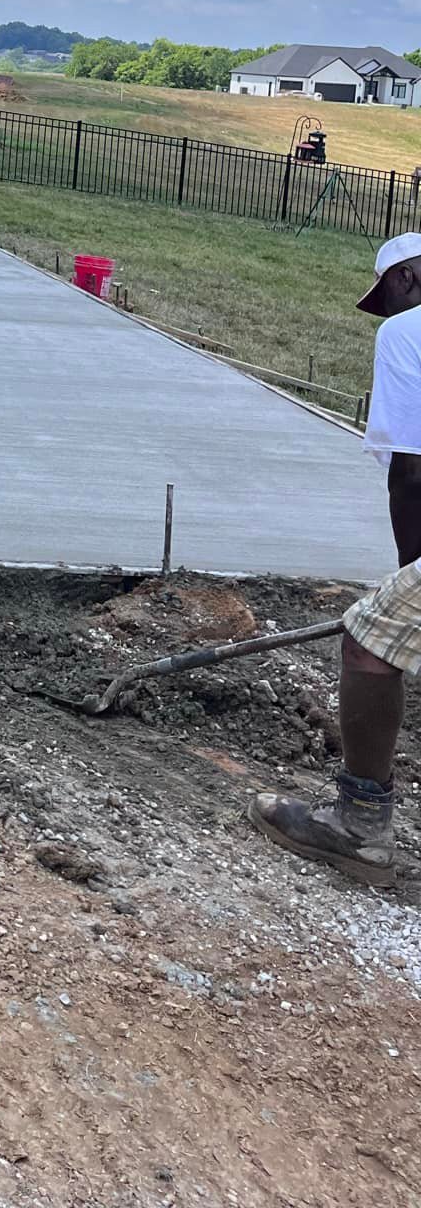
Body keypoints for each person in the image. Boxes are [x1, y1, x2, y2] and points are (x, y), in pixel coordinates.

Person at [250, 232, 421, 890]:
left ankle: (359, 829)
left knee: (371, 641)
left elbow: (411, 472)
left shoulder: (409, 332)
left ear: (406, 279)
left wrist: (407, 574)